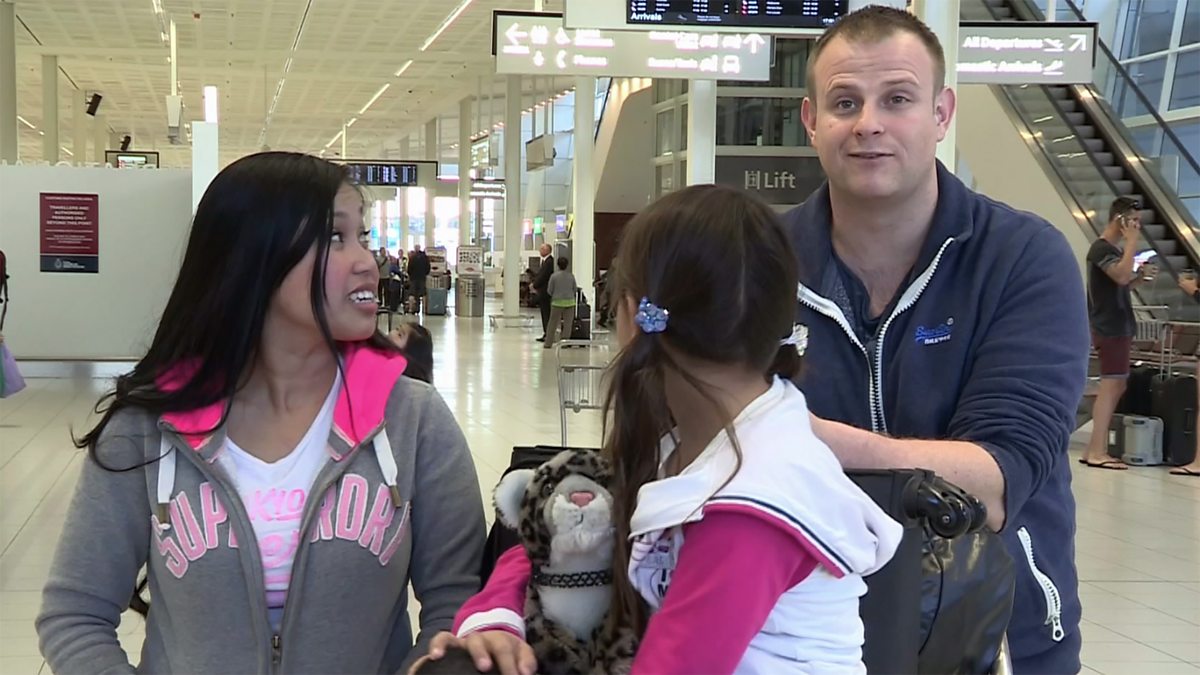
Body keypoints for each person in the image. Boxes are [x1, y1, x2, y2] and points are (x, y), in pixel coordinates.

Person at [419, 185, 902, 674]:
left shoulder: (753, 501)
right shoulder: (692, 440)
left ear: (632, 314)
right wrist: (496, 620)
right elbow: (546, 543)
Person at [36, 152, 486, 674]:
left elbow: (458, 604)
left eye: (361, 236)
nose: (367, 260)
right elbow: (75, 614)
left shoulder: (413, 420)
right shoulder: (145, 430)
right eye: (335, 237)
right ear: (255, 258)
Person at [784, 6, 1089, 673]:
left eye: (897, 99)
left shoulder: (1022, 259)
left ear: (941, 113)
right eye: (844, 102)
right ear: (811, 120)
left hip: (992, 638)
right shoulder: (758, 263)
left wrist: (792, 433)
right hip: (803, 634)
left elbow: (999, 477)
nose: (868, 123)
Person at [1082, 197, 1156, 470]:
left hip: (1118, 324)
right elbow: (1121, 276)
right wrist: (1133, 243)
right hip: (1109, 326)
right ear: (1120, 220)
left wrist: (1140, 278)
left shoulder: (1112, 250)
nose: (1137, 227)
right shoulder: (1101, 248)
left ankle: (1093, 448)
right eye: (1134, 221)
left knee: (1117, 385)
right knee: (1111, 384)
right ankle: (1097, 451)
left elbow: (1121, 284)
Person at [543, 257, 577, 349]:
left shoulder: (554, 276)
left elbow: (549, 290)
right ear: (567, 265)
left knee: (552, 323)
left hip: (557, 302)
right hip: (570, 302)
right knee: (568, 324)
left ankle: (548, 343)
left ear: (558, 265)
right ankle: (564, 343)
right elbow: (574, 289)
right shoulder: (571, 276)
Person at [531, 244, 554, 342]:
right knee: (544, 313)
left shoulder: (549, 262)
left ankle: (548, 334)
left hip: (546, 292)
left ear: (547, 250)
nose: (540, 250)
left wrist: (535, 285)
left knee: (546, 313)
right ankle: (546, 332)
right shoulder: (545, 261)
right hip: (542, 291)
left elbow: (544, 276)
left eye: (542, 249)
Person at [408, 244, 431, 311]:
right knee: (423, 293)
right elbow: (428, 267)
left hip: (413, 278)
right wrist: (425, 274)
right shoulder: (425, 257)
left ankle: (411, 308)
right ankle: (424, 309)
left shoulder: (412, 257)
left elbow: (409, 269)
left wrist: (410, 275)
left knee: (412, 293)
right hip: (422, 278)